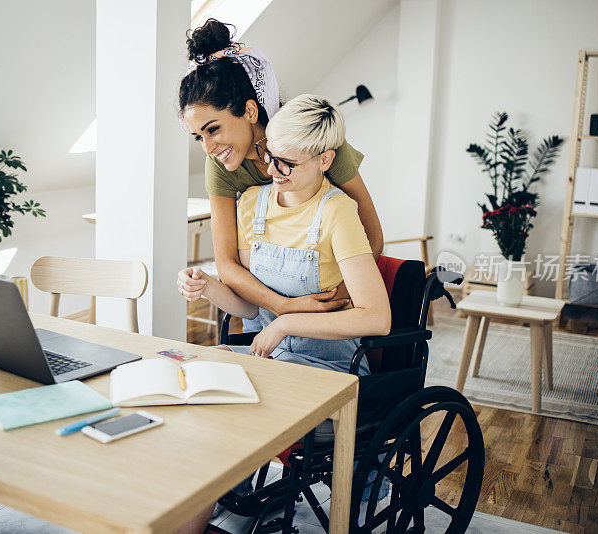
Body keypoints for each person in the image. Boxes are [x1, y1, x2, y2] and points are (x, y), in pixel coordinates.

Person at [174, 94, 391, 534]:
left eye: (287, 164)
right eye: (269, 157)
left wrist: (288, 321)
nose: (272, 172)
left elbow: (376, 318)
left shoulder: (338, 213)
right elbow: (251, 307)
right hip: (267, 360)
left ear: (325, 159)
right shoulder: (253, 202)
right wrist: (210, 287)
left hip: (326, 368)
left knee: (219, 414)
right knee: (188, 396)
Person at [177, 19, 384, 318]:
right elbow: (227, 264)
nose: (208, 148)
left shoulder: (315, 142)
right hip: (270, 312)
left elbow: (372, 235)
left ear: (249, 111)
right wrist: (283, 307)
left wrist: (327, 304)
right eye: (198, 137)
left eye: (213, 129)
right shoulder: (220, 167)